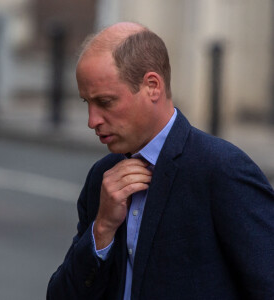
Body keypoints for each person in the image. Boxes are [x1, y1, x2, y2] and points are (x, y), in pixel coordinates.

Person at [47, 22, 274, 300]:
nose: (92, 121)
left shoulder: (221, 169)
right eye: (87, 103)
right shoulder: (103, 177)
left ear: (152, 86)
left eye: (105, 102)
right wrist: (102, 228)